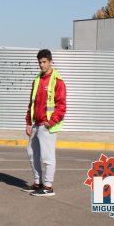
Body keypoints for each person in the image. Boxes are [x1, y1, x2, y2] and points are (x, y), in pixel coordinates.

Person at [23, 49, 67, 196]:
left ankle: (48, 187)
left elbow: (61, 106)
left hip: (48, 125)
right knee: (31, 153)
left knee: (47, 157)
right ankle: (38, 183)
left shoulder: (57, 81)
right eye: (39, 62)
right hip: (36, 124)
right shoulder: (37, 80)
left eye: (44, 62)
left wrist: (51, 122)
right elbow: (32, 103)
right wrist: (29, 122)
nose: (41, 65)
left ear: (50, 61)